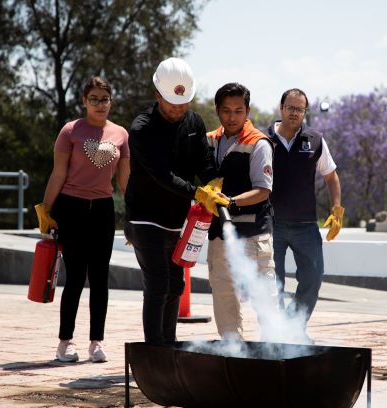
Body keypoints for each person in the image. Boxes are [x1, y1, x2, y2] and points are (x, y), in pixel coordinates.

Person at [123, 57, 226, 344]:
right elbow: (162, 175)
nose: (179, 109)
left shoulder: (193, 122)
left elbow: (204, 163)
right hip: (144, 217)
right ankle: (153, 353)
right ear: (158, 95)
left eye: (184, 103)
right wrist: (197, 193)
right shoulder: (142, 128)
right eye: (172, 104)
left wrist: (213, 184)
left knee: (175, 285)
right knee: (157, 284)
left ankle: (167, 347)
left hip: (177, 219)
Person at [35, 76, 130, 363]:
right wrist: (46, 210)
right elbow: (58, 174)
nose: (100, 104)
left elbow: (125, 181)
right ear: (84, 101)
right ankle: (65, 342)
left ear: (111, 101)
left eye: (105, 99)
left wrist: (134, 212)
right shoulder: (70, 131)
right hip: (71, 208)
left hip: (102, 209)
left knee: (100, 278)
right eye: (94, 99)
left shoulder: (121, 135)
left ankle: (96, 342)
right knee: (75, 277)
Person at [266, 88, 344, 335]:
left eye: (300, 109)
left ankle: (292, 327)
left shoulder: (315, 140)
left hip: (305, 224)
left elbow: (331, 177)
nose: (295, 113)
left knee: (313, 277)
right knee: (272, 284)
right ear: (281, 108)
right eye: (290, 108)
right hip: (272, 224)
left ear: (304, 112)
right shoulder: (264, 140)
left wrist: (337, 210)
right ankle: (276, 335)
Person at [205, 82, 276, 341]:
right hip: (220, 235)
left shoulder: (259, 144)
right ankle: (232, 351)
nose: (232, 117)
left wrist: (230, 202)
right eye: (226, 111)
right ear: (217, 111)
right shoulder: (210, 141)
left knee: (265, 298)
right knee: (224, 294)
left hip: (253, 233)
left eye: (238, 111)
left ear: (247, 111)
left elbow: (263, 190)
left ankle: (275, 351)